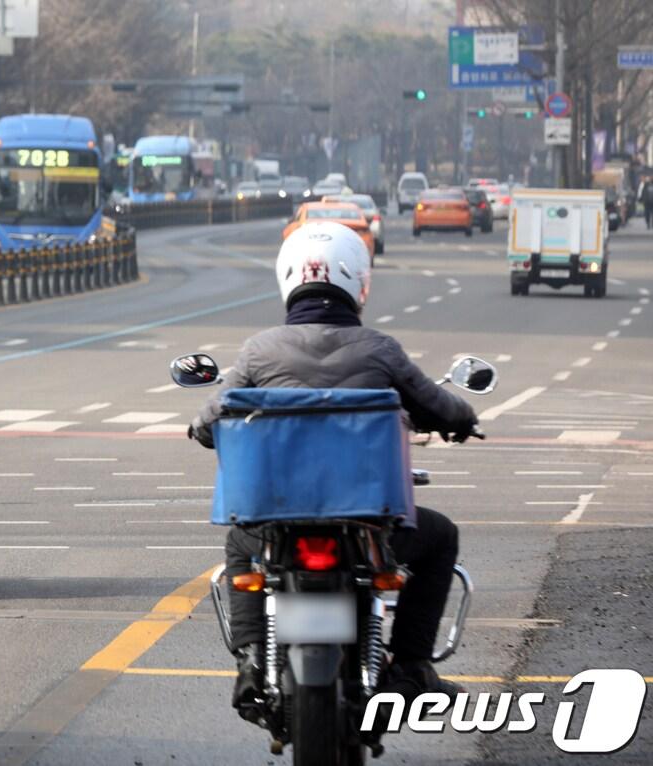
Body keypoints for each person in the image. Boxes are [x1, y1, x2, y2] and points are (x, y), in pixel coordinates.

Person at [189, 222, 478, 720]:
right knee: (440, 536)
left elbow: (209, 421)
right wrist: (463, 421)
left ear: (287, 278)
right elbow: (438, 406)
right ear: (358, 281)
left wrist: (203, 430)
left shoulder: (259, 350)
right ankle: (411, 667)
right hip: (368, 521)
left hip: (277, 521)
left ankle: (252, 659)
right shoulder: (379, 349)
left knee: (239, 543)